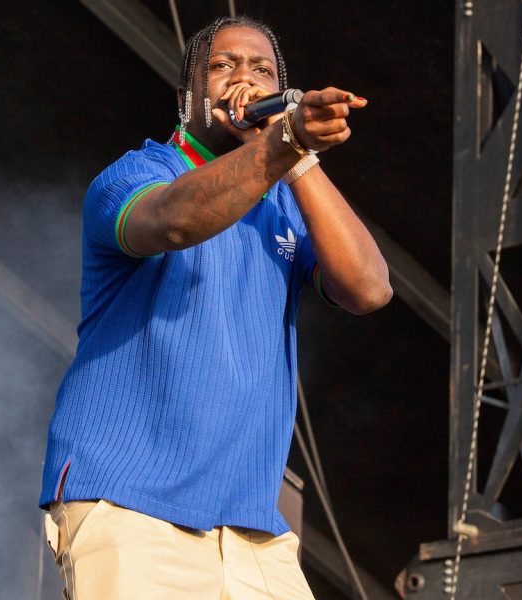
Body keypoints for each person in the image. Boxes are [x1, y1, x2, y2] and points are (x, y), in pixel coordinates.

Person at [39, 14, 391, 599]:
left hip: (251, 526)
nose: (245, 81)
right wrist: (284, 144)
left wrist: (297, 155)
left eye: (263, 70)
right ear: (187, 100)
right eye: (223, 66)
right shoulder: (136, 175)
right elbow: (174, 222)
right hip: (131, 504)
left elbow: (369, 288)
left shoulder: (285, 201)